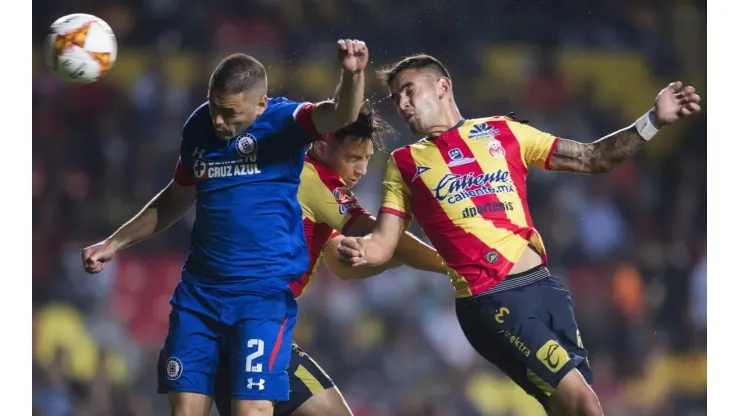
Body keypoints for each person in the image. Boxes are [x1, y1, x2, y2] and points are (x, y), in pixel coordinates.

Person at [337, 54, 702, 416]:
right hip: (491, 301)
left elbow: (593, 158)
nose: (402, 104)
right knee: (585, 405)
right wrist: (360, 249)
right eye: (397, 98)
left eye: (409, 91)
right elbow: (384, 243)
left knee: (567, 407)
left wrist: (652, 120)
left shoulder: (504, 131)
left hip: (545, 288)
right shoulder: (404, 163)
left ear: (443, 87)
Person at [81, 39, 369, 416]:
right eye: (215, 108)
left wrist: (353, 75)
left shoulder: (285, 123)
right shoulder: (199, 127)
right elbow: (177, 196)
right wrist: (114, 242)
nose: (219, 121)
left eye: (230, 113)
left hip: (260, 297)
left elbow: (340, 113)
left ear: (260, 104)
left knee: (252, 411)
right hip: (199, 297)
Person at [213, 100, 449, 416]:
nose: (361, 170)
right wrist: (450, 262)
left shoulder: (293, 174)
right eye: (353, 158)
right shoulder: (317, 181)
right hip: (249, 325)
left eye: (366, 159)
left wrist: (394, 255)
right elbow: (378, 231)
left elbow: (343, 263)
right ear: (322, 147)